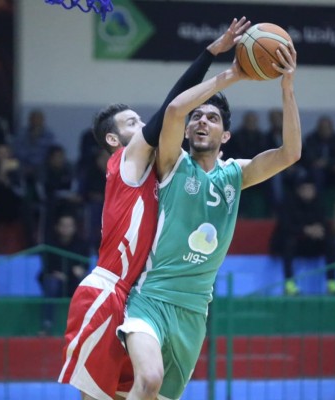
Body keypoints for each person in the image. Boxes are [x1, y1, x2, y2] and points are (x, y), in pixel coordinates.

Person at [57, 17, 251, 400]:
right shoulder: (127, 159)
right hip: (107, 291)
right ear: (114, 139)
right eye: (133, 122)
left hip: (135, 296)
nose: (144, 123)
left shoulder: (157, 172)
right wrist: (216, 61)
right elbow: (172, 106)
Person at [118, 39, 301, 400]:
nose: (202, 121)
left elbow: (290, 153)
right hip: (151, 298)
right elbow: (174, 110)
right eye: (197, 117)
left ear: (225, 135)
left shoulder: (235, 174)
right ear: (187, 131)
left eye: (212, 118)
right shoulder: (172, 162)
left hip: (194, 311)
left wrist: (287, 87)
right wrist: (232, 74)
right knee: (149, 380)